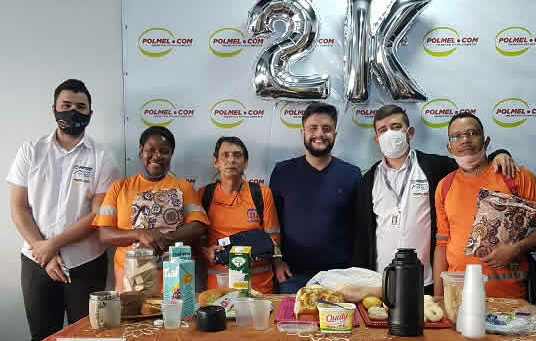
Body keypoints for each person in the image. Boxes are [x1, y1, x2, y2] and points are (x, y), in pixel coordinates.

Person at [351, 104, 517, 296]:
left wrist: (499, 154)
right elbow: (362, 236)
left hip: (426, 282)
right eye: (383, 130)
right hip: (382, 283)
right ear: (377, 139)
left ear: (410, 133)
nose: (390, 134)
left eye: (396, 127)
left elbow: (471, 162)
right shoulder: (368, 180)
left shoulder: (435, 167)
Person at [6, 79, 119, 341]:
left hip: (85, 262)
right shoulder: (31, 151)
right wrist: (43, 251)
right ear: (54, 109)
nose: (73, 112)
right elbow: (19, 207)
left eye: (80, 107)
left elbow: (98, 215)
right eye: (66, 105)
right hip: (36, 261)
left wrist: (52, 246)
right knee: (42, 340)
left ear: (90, 113)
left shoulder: (102, 157)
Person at [433, 112, 536, 299]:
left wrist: (516, 249)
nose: (465, 140)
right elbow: (442, 245)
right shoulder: (444, 186)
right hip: (457, 297)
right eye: (457, 136)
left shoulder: (515, 176)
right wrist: (439, 299)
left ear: (486, 141)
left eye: (473, 133)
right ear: (449, 147)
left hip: (509, 298)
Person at [93, 126, 208, 291]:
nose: (157, 155)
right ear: (141, 151)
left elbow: (198, 225)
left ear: (171, 155)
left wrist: (164, 239)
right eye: (151, 150)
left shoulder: (183, 187)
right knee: (134, 309)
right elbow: (104, 234)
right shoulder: (120, 187)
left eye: (164, 151)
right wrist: (139, 234)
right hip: (131, 279)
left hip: (176, 278)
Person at [270, 103, 362, 293]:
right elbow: (271, 224)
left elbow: (360, 228)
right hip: (292, 276)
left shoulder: (352, 174)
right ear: (302, 133)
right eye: (313, 128)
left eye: (326, 129)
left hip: (340, 278)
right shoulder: (282, 172)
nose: (320, 134)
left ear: (335, 134)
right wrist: (277, 261)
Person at [199, 136, 281, 293]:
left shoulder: (261, 193)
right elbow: (196, 241)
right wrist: (206, 252)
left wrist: (277, 262)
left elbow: (274, 239)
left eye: (237, 155)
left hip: (258, 288)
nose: (231, 160)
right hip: (218, 290)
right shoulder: (204, 195)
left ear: (245, 163)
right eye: (225, 155)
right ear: (216, 162)